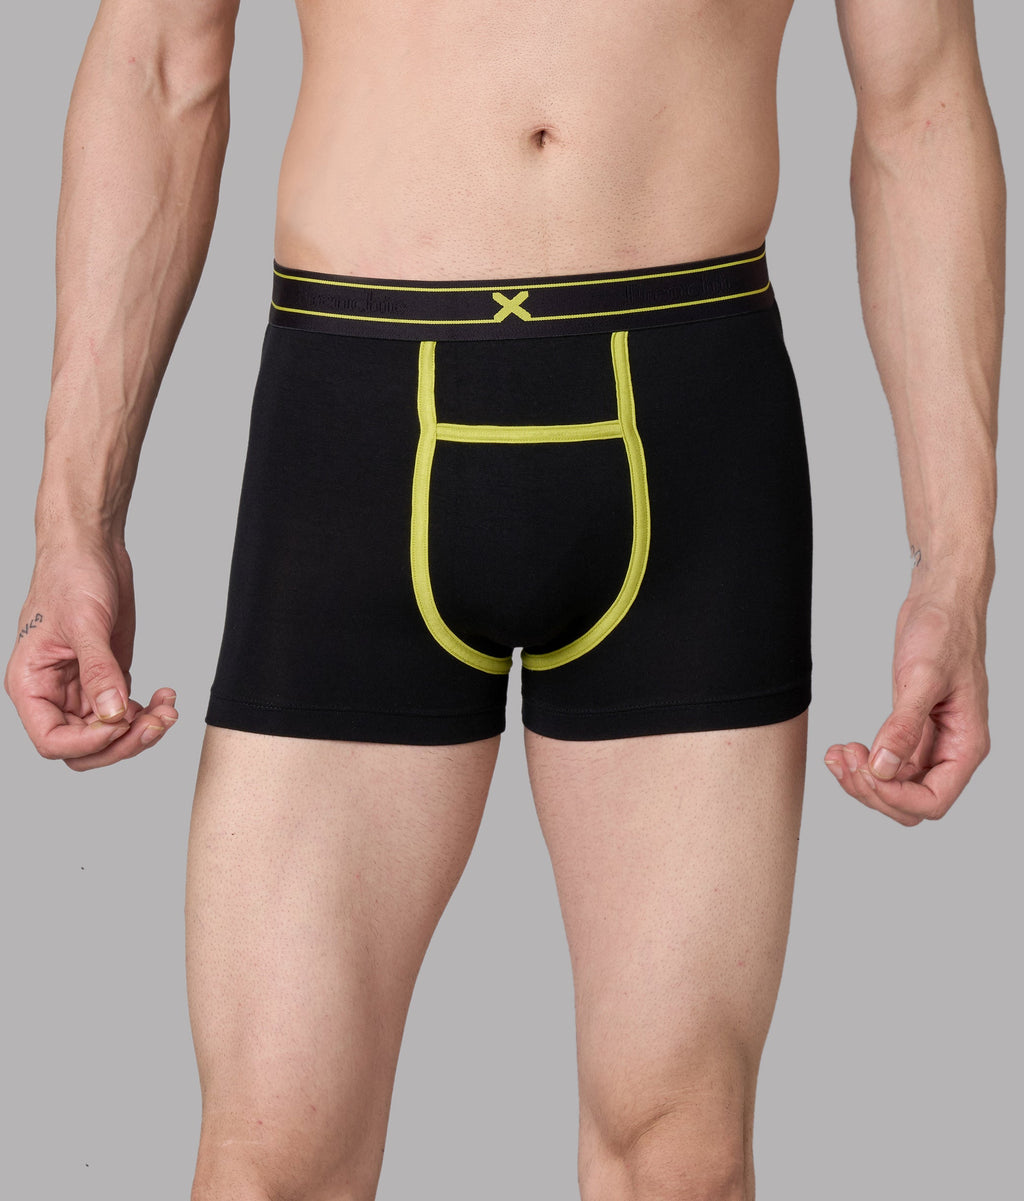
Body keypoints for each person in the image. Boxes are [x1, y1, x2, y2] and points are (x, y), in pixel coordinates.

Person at [4, 1, 1003, 1198]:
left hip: (687, 434)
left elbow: (919, 104)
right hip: (356, 431)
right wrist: (75, 521)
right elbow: (159, 65)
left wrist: (954, 568)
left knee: (678, 1159)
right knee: (272, 1162)